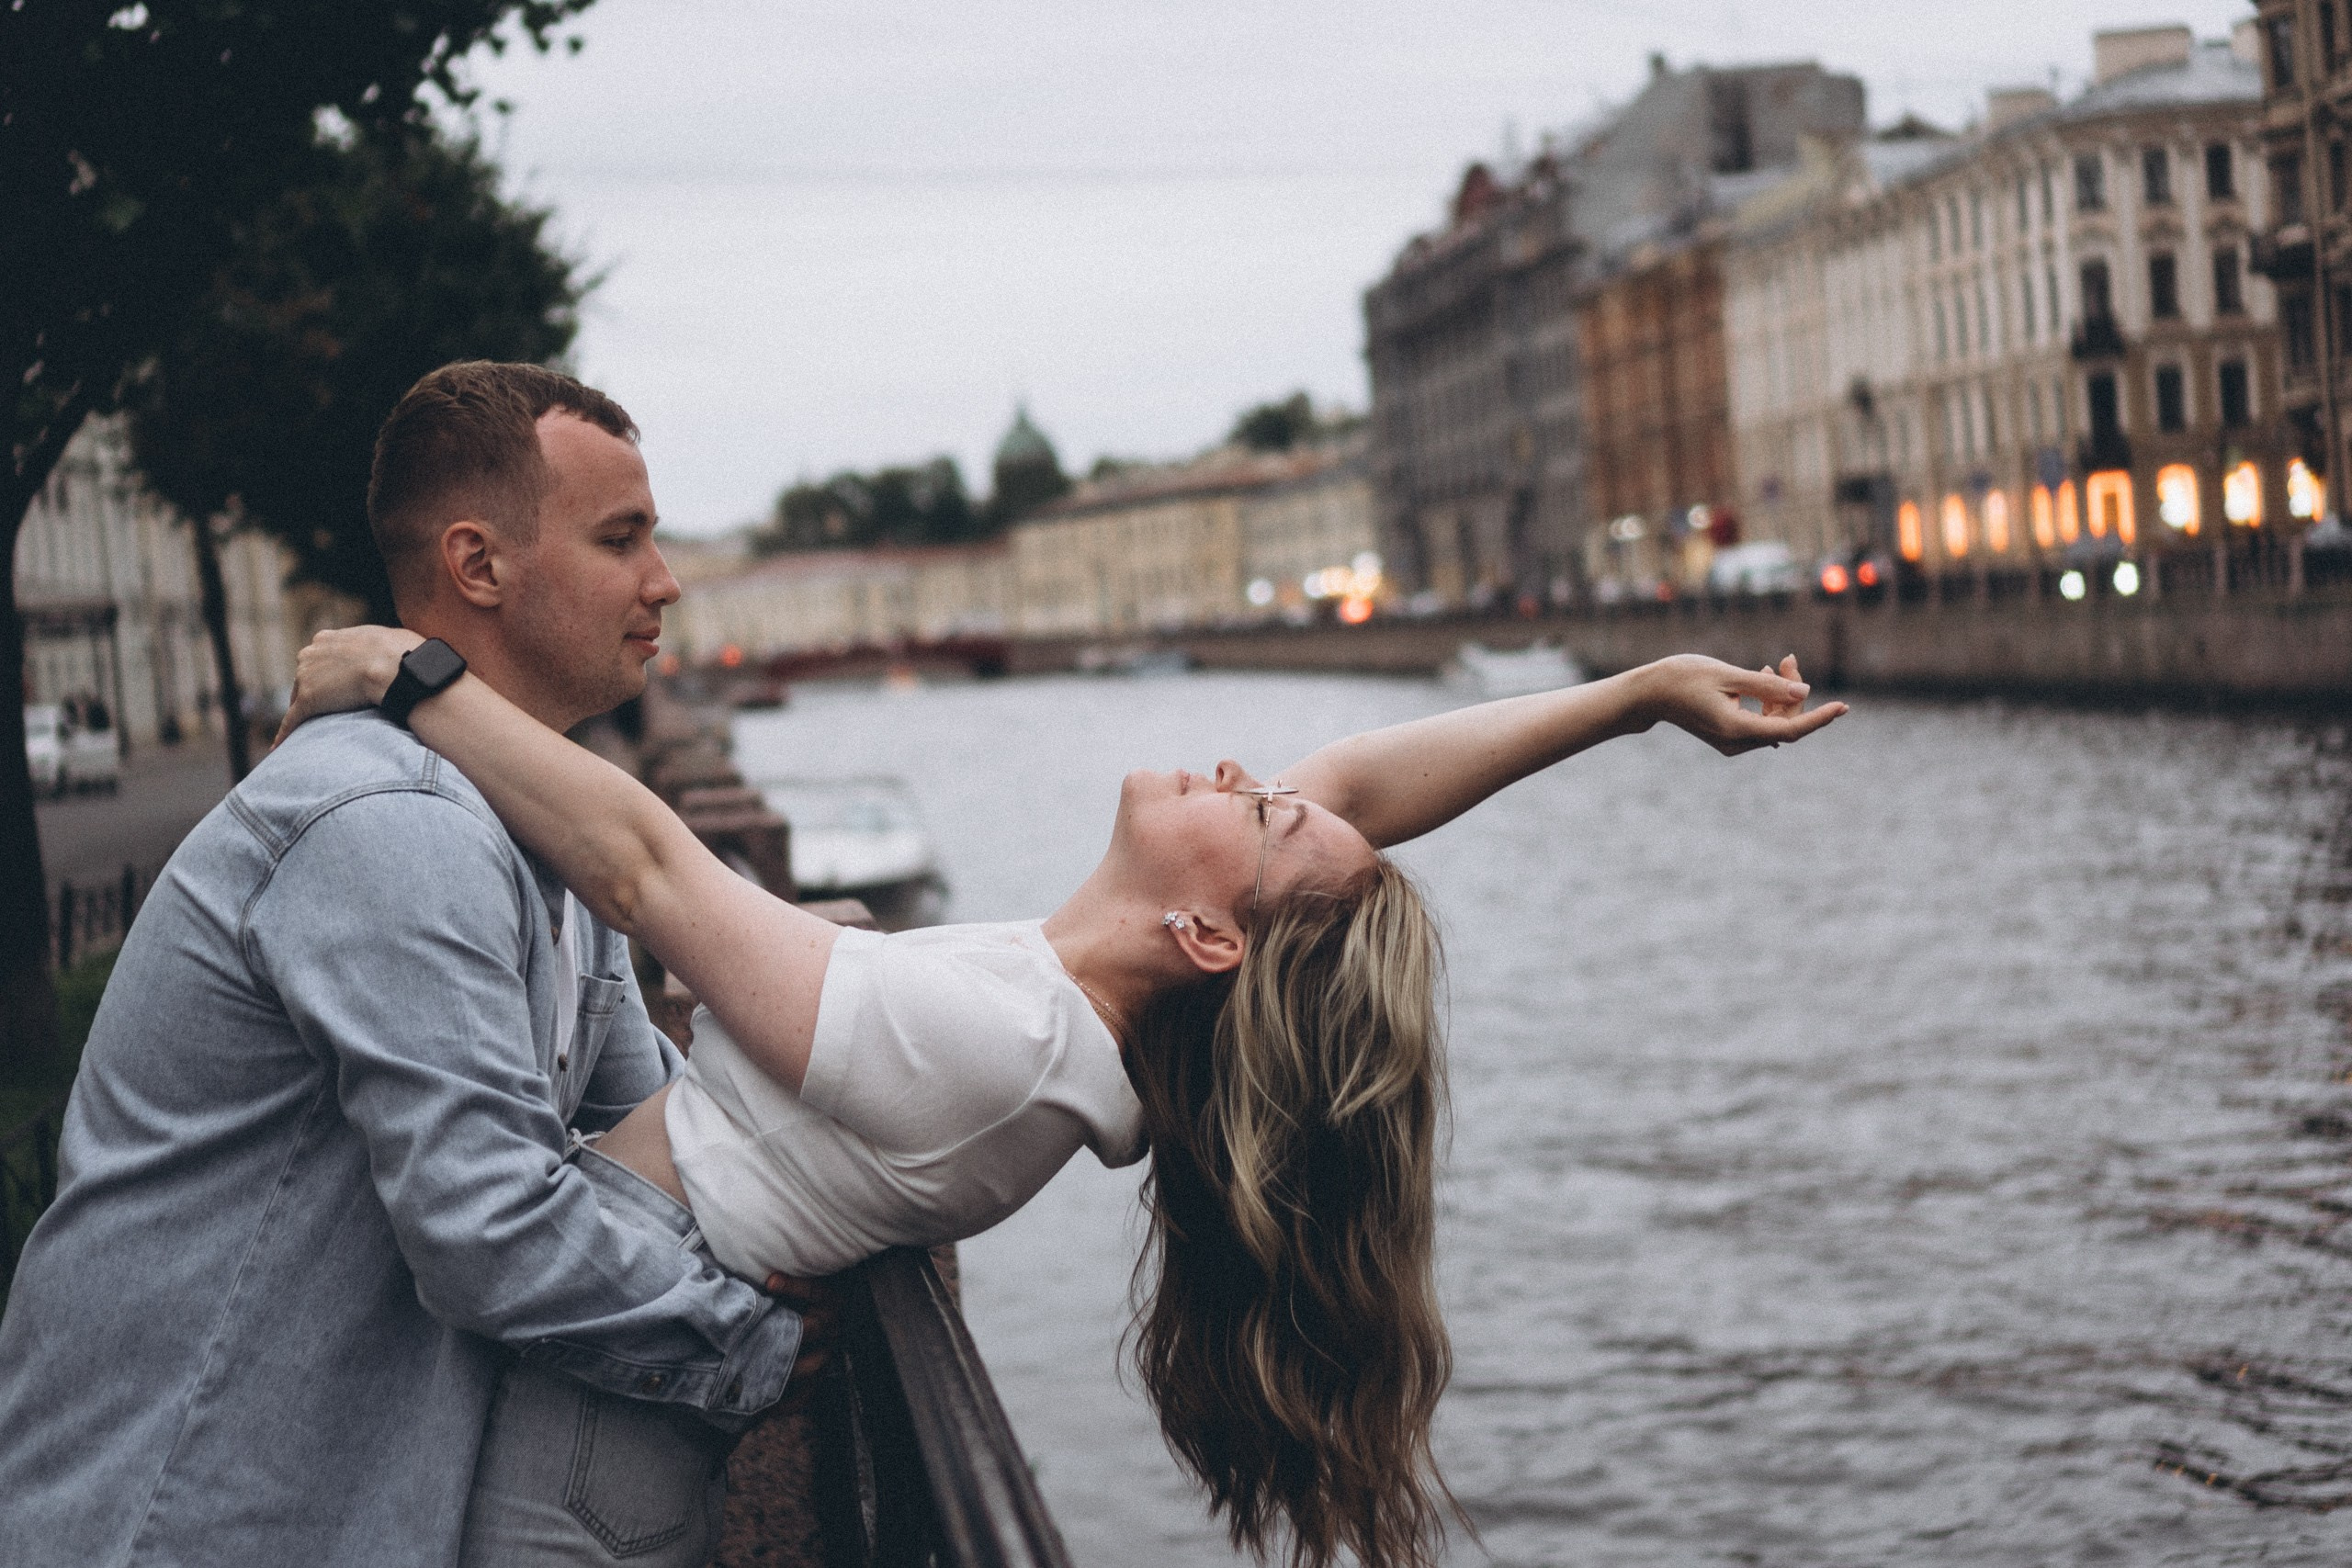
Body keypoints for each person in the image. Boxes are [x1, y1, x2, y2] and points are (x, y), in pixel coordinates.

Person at [280, 616, 1845, 1568]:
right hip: (582, 1381)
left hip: (584, 1454)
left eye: (1271, 814)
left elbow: (640, 863)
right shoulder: (1056, 1011)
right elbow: (1366, 787)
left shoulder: (990, 1049)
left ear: (1210, 930)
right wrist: (1633, 696)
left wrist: (409, 679)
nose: (1254, 772)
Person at [0, 362, 816, 1568]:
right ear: (479, 566)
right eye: (621, 539)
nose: (667, 582)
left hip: (325, 1496)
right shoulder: (394, 819)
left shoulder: (528, 825)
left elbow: (675, 1133)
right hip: (182, 1515)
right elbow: (493, 1231)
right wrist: (770, 1352)